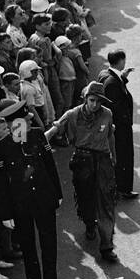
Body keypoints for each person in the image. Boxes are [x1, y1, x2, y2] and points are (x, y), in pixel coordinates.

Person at [0, 100, 64, 279]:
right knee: (28, 247)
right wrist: (6, 213)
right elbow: (1, 184)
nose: (27, 122)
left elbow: (50, 166)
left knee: (49, 246)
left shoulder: (37, 136)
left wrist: (57, 193)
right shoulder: (2, 147)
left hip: (44, 199)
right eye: (22, 121)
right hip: (20, 205)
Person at [46, 81, 119, 263]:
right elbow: (53, 131)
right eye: (92, 100)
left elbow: (110, 136)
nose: (95, 105)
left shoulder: (107, 114)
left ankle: (107, 245)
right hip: (82, 161)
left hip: (102, 161)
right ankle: (89, 223)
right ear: (86, 98)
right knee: (85, 199)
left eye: (98, 102)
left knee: (106, 202)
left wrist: (113, 157)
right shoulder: (72, 114)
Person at [98, 49, 138, 198]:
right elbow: (116, 105)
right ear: (121, 61)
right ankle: (123, 188)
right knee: (124, 156)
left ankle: (118, 186)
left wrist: (123, 77)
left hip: (116, 125)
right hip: (120, 127)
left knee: (118, 156)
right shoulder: (113, 82)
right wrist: (126, 121)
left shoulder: (105, 74)